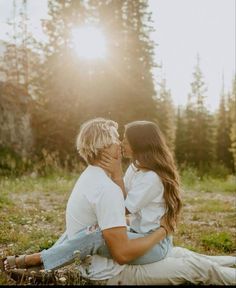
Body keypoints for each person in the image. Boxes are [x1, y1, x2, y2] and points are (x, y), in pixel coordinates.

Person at [1, 118, 235, 285]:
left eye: (124, 139)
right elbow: (120, 205)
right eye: (118, 139)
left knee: (92, 235)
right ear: (105, 147)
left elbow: (121, 206)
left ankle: (38, 260)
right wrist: (117, 175)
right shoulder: (124, 175)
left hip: (150, 240)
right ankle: (40, 263)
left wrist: (162, 232)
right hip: (135, 244)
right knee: (187, 257)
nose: (121, 143)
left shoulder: (106, 179)